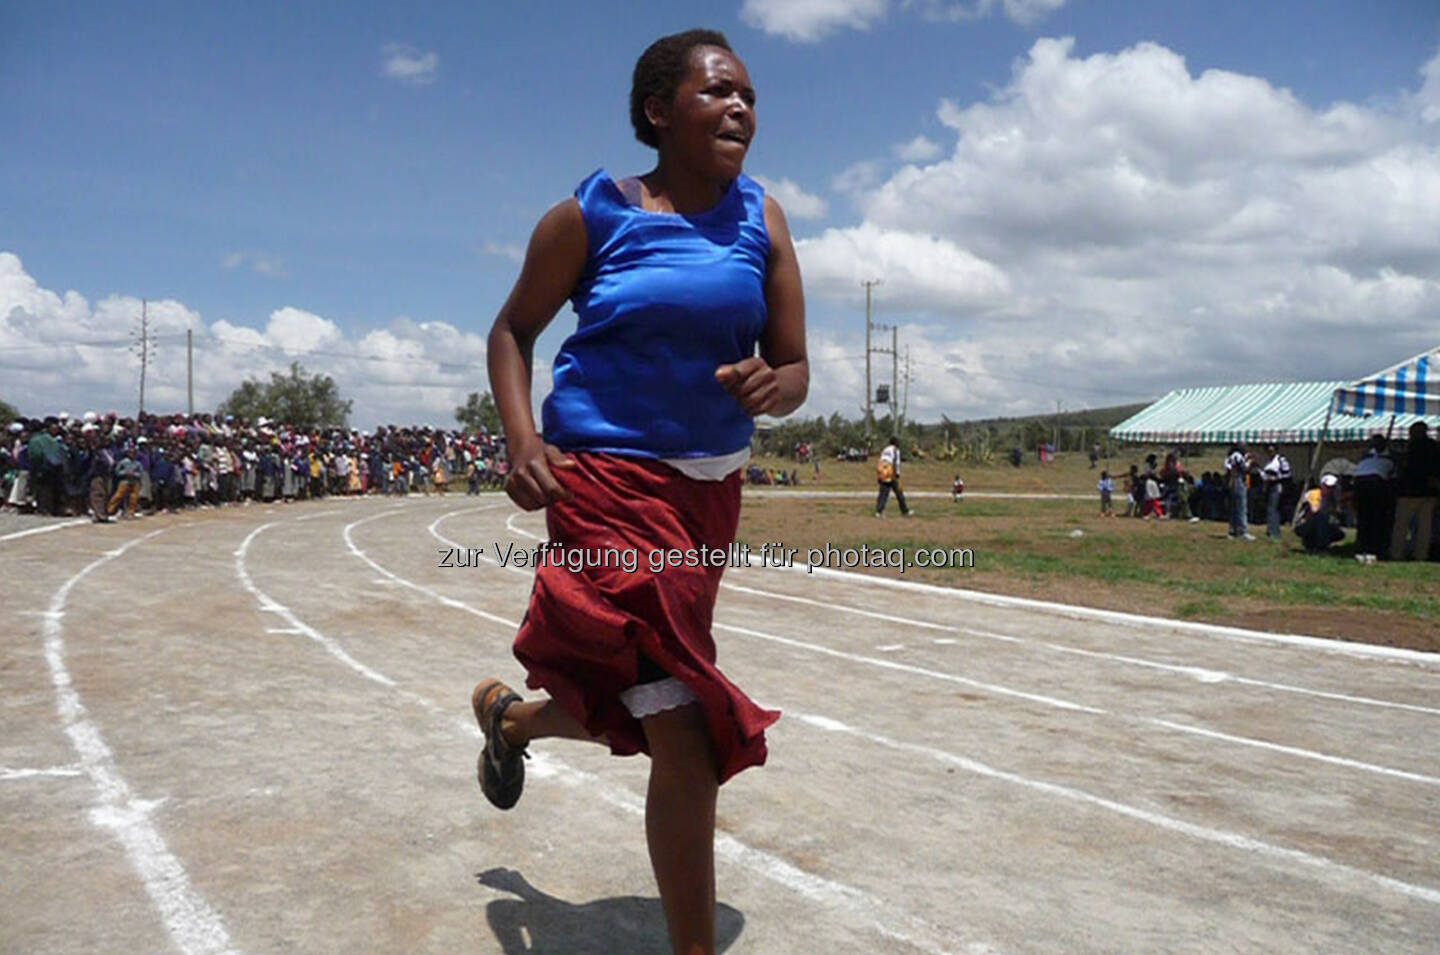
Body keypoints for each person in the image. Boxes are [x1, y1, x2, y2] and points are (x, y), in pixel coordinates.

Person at [469, 29, 807, 955]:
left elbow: (796, 364)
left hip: (707, 494)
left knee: (646, 696)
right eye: (717, 92)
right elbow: (512, 330)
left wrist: (777, 384)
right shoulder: (592, 214)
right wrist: (523, 439)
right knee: (686, 720)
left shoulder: (764, 218)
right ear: (660, 111)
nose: (741, 107)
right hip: (606, 485)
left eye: (747, 95)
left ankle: (512, 719)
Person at [1391, 421, 1437, 561]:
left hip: (1409, 490)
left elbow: (1404, 466)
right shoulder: (1434, 447)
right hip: (1429, 491)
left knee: (1401, 525)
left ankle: (1397, 553)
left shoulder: (1411, 448)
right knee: (1425, 527)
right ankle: (1421, 554)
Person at [1353, 434, 1396, 563]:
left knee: (1364, 518)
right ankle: (1374, 548)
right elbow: (1392, 480)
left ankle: (1364, 546)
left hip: (1361, 483)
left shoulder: (1366, 458)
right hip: (1375, 484)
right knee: (1376, 518)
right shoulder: (1389, 459)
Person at [1260, 443, 1292, 539]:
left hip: (1277, 486)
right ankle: (1271, 530)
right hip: (1269, 486)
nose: (1270, 452)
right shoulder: (1269, 461)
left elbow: (1287, 474)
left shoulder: (1281, 460)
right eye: (1268, 451)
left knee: (1273, 509)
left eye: (1271, 450)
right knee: (1270, 509)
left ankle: (1274, 532)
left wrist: (1275, 478)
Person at [1224, 442, 1254, 540]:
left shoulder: (1229, 457)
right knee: (1241, 506)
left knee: (1234, 507)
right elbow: (1244, 468)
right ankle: (1242, 531)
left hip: (1231, 482)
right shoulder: (1237, 456)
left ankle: (1233, 530)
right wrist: (1249, 462)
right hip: (1238, 481)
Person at [875, 435, 909, 517]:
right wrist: (897, 474)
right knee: (899, 492)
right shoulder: (895, 450)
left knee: (883, 493)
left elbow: (881, 460)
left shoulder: (885, 449)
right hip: (890, 472)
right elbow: (896, 462)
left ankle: (879, 511)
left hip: (882, 471)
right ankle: (904, 511)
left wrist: (879, 474)